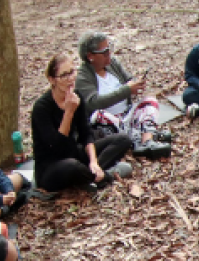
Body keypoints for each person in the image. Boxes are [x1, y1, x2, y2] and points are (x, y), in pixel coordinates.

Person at [30, 54, 134, 197]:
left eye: (72, 72)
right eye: (64, 75)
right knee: (72, 166)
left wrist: (93, 161)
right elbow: (56, 146)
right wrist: (69, 112)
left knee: (123, 139)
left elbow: (86, 133)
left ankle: (94, 173)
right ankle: (106, 176)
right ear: (52, 79)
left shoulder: (76, 95)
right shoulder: (41, 108)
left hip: (75, 154)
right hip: (51, 167)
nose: (70, 79)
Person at [75, 32, 171, 159]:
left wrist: (136, 84)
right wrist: (126, 90)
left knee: (150, 101)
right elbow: (93, 103)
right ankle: (141, 137)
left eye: (109, 49)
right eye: (104, 52)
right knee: (98, 116)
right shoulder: (83, 77)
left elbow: (128, 80)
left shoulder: (112, 63)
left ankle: (147, 141)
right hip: (108, 121)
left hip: (127, 113)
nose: (109, 54)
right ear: (90, 56)